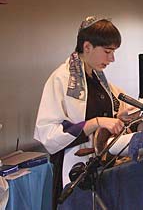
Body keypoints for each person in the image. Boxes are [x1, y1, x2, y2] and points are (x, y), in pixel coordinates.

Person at [34, 16, 134, 209]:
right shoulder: (61, 80)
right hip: (73, 169)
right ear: (87, 47)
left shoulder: (98, 78)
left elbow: (107, 113)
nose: (112, 59)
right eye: (107, 52)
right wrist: (95, 123)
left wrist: (117, 118)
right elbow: (48, 134)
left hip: (100, 166)